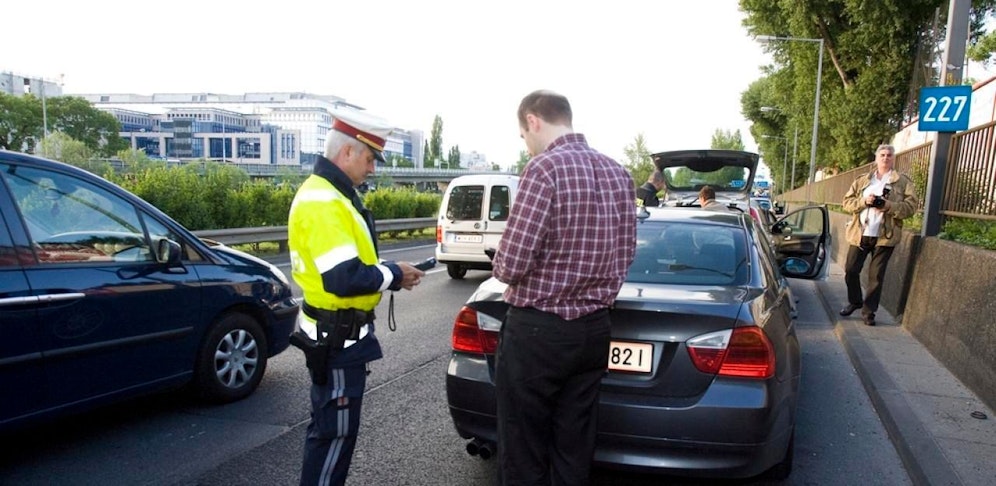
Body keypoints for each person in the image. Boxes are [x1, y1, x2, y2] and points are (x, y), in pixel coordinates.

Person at [492, 90, 637, 485]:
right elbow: (625, 255)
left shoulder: (543, 170)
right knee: (574, 448)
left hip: (537, 334)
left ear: (533, 121)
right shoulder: (619, 173)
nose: (526, 145)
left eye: (523, 136)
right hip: (593, 330)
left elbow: (510, 265)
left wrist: (502, 260)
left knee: (523, 449)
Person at [287, 110, 425, 486]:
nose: (373, 169)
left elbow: (352, 263)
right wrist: (394, 275)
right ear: (347, 152)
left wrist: (390, 271)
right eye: (369, 159)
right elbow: (343, 278)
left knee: (328, 436)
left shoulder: (330, 195)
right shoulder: (325, 202)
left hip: (337, 338)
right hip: (338, 341)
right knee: (334, 440)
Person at [840, 144, 917, 326]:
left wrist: (888, 206)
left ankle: (869, 312)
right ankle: (855, 301)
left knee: (876, 276)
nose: (885, 158)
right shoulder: (863, 180)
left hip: (885, 236)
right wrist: (864, 201)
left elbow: (911, 208)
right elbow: (846, 202)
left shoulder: (903, 182)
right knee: (851, 270)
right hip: (860, 233)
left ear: (893, 158)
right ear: (876, 158)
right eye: (882, 155)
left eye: (889, 155)